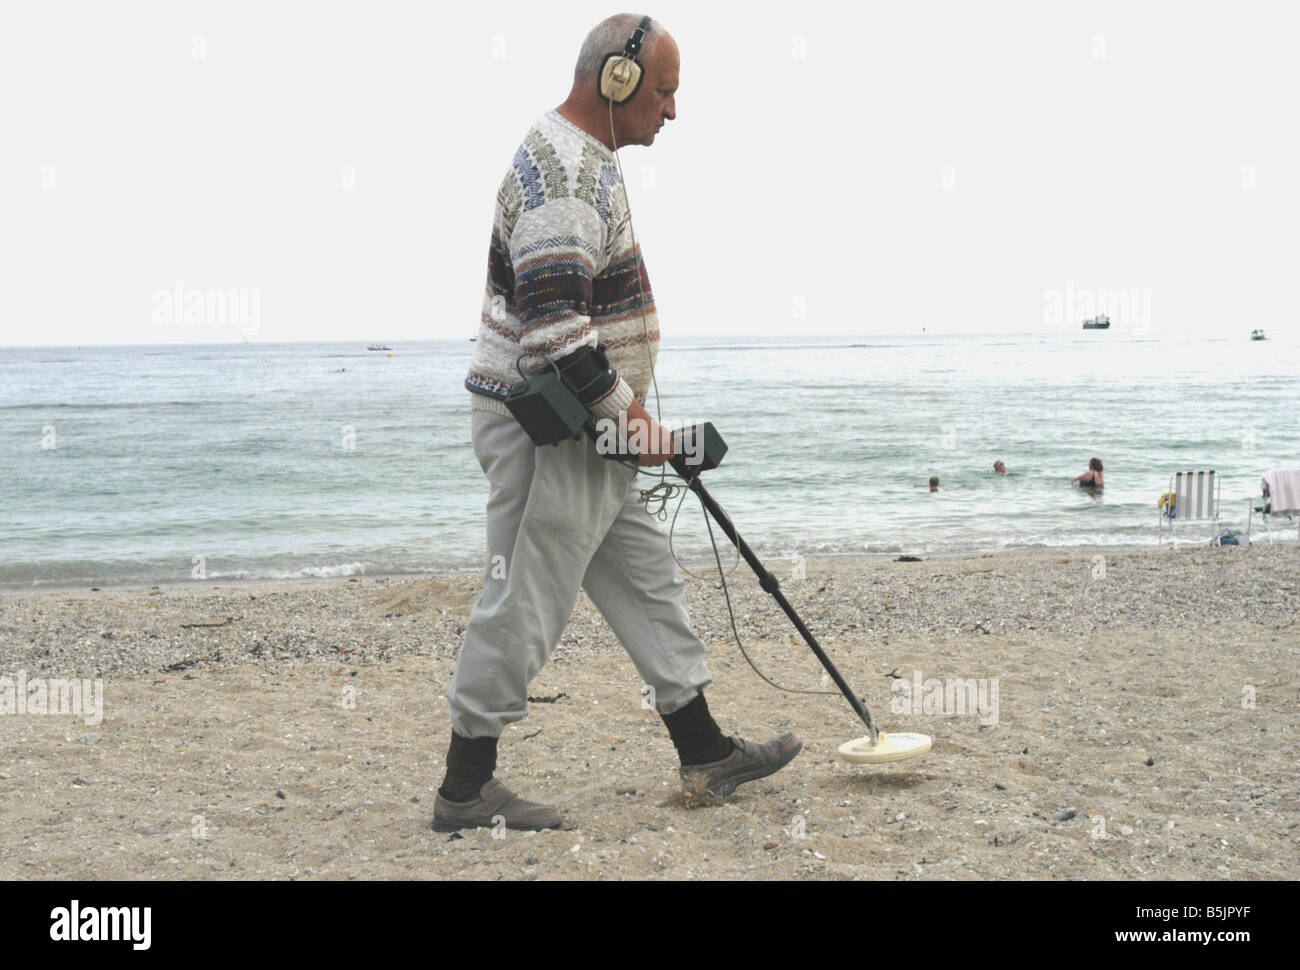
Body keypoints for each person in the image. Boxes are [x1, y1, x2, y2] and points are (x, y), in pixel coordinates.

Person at [437, 14, 801, 833]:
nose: (672, 111)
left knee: (646, 580)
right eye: (665, 91)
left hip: (585, 433)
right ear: (617, 80)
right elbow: (557, 334)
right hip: (553, 434)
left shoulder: (585, 157)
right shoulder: (563, 172)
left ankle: (705, 753)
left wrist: (627, 426)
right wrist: (635, 423)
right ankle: (465, 789)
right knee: (522, 601)